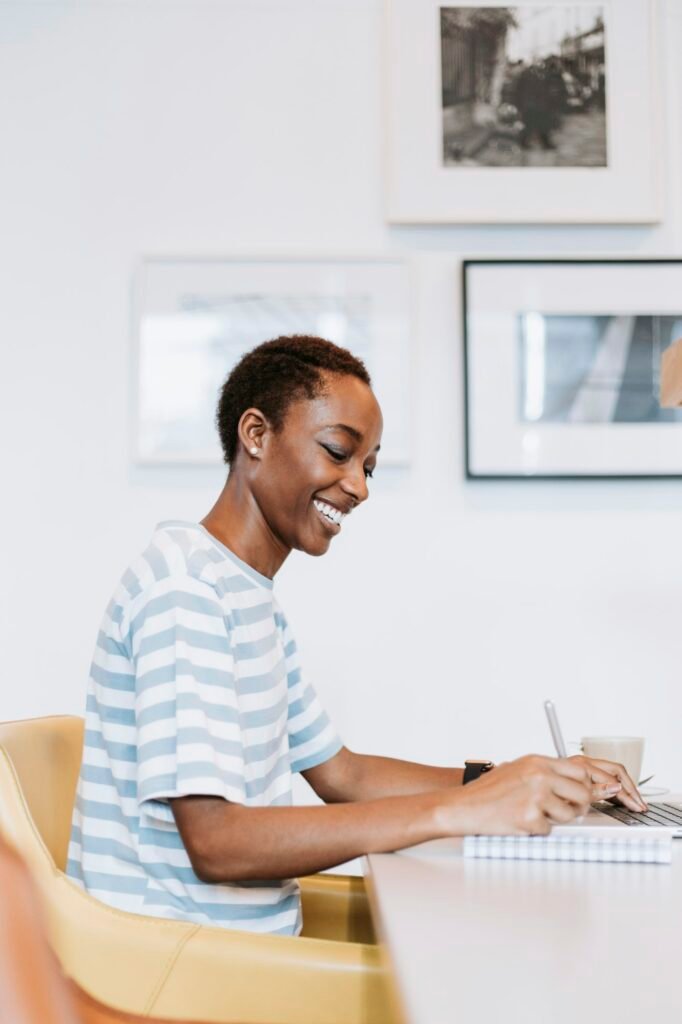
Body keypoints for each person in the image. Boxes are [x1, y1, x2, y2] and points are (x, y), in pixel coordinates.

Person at [67, 336, 646, 935]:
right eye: (339, 451)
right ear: (256, 435)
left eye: (367, 466)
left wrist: (518, 778)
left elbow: (342, 775)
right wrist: (464, 809)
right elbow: (218, 843)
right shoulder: (185, 591)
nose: (360, 487)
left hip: (239, 952)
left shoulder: (242, 593)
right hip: (180, 972)